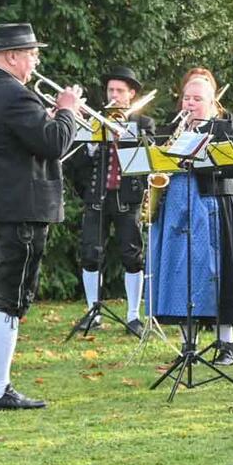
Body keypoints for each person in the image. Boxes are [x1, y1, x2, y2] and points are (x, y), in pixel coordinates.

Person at [0, 22, 80, 409]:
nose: (35, 61)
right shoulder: (14, 96)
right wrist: (66, 111)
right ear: (11, 56)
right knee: (11, 295)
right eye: (31, 54)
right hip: (18, 210)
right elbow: (55, 142)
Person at [150, 69, 233, 364]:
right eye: (186, 98)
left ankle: (226, 343)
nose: (190, 104)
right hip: (178, 208)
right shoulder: (172, 128)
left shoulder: (226, 127)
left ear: (212, 101)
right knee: (180, 270)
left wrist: (197, 148)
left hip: (213, 204)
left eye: (197, 99)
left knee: (219, 270)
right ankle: (187, 343)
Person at [70, 65, 155, 337]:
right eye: (110, 90)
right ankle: (93, 311)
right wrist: (93, 142)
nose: (114, 95)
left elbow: (148, 162)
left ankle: (133, 316)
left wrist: (126, 138)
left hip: (127, 200)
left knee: (132, 255)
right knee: (90, 254)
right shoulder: (93, 121)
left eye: (120, 91)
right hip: (97, 197)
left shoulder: (144, 124)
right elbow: (74, 165)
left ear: (131, 95)